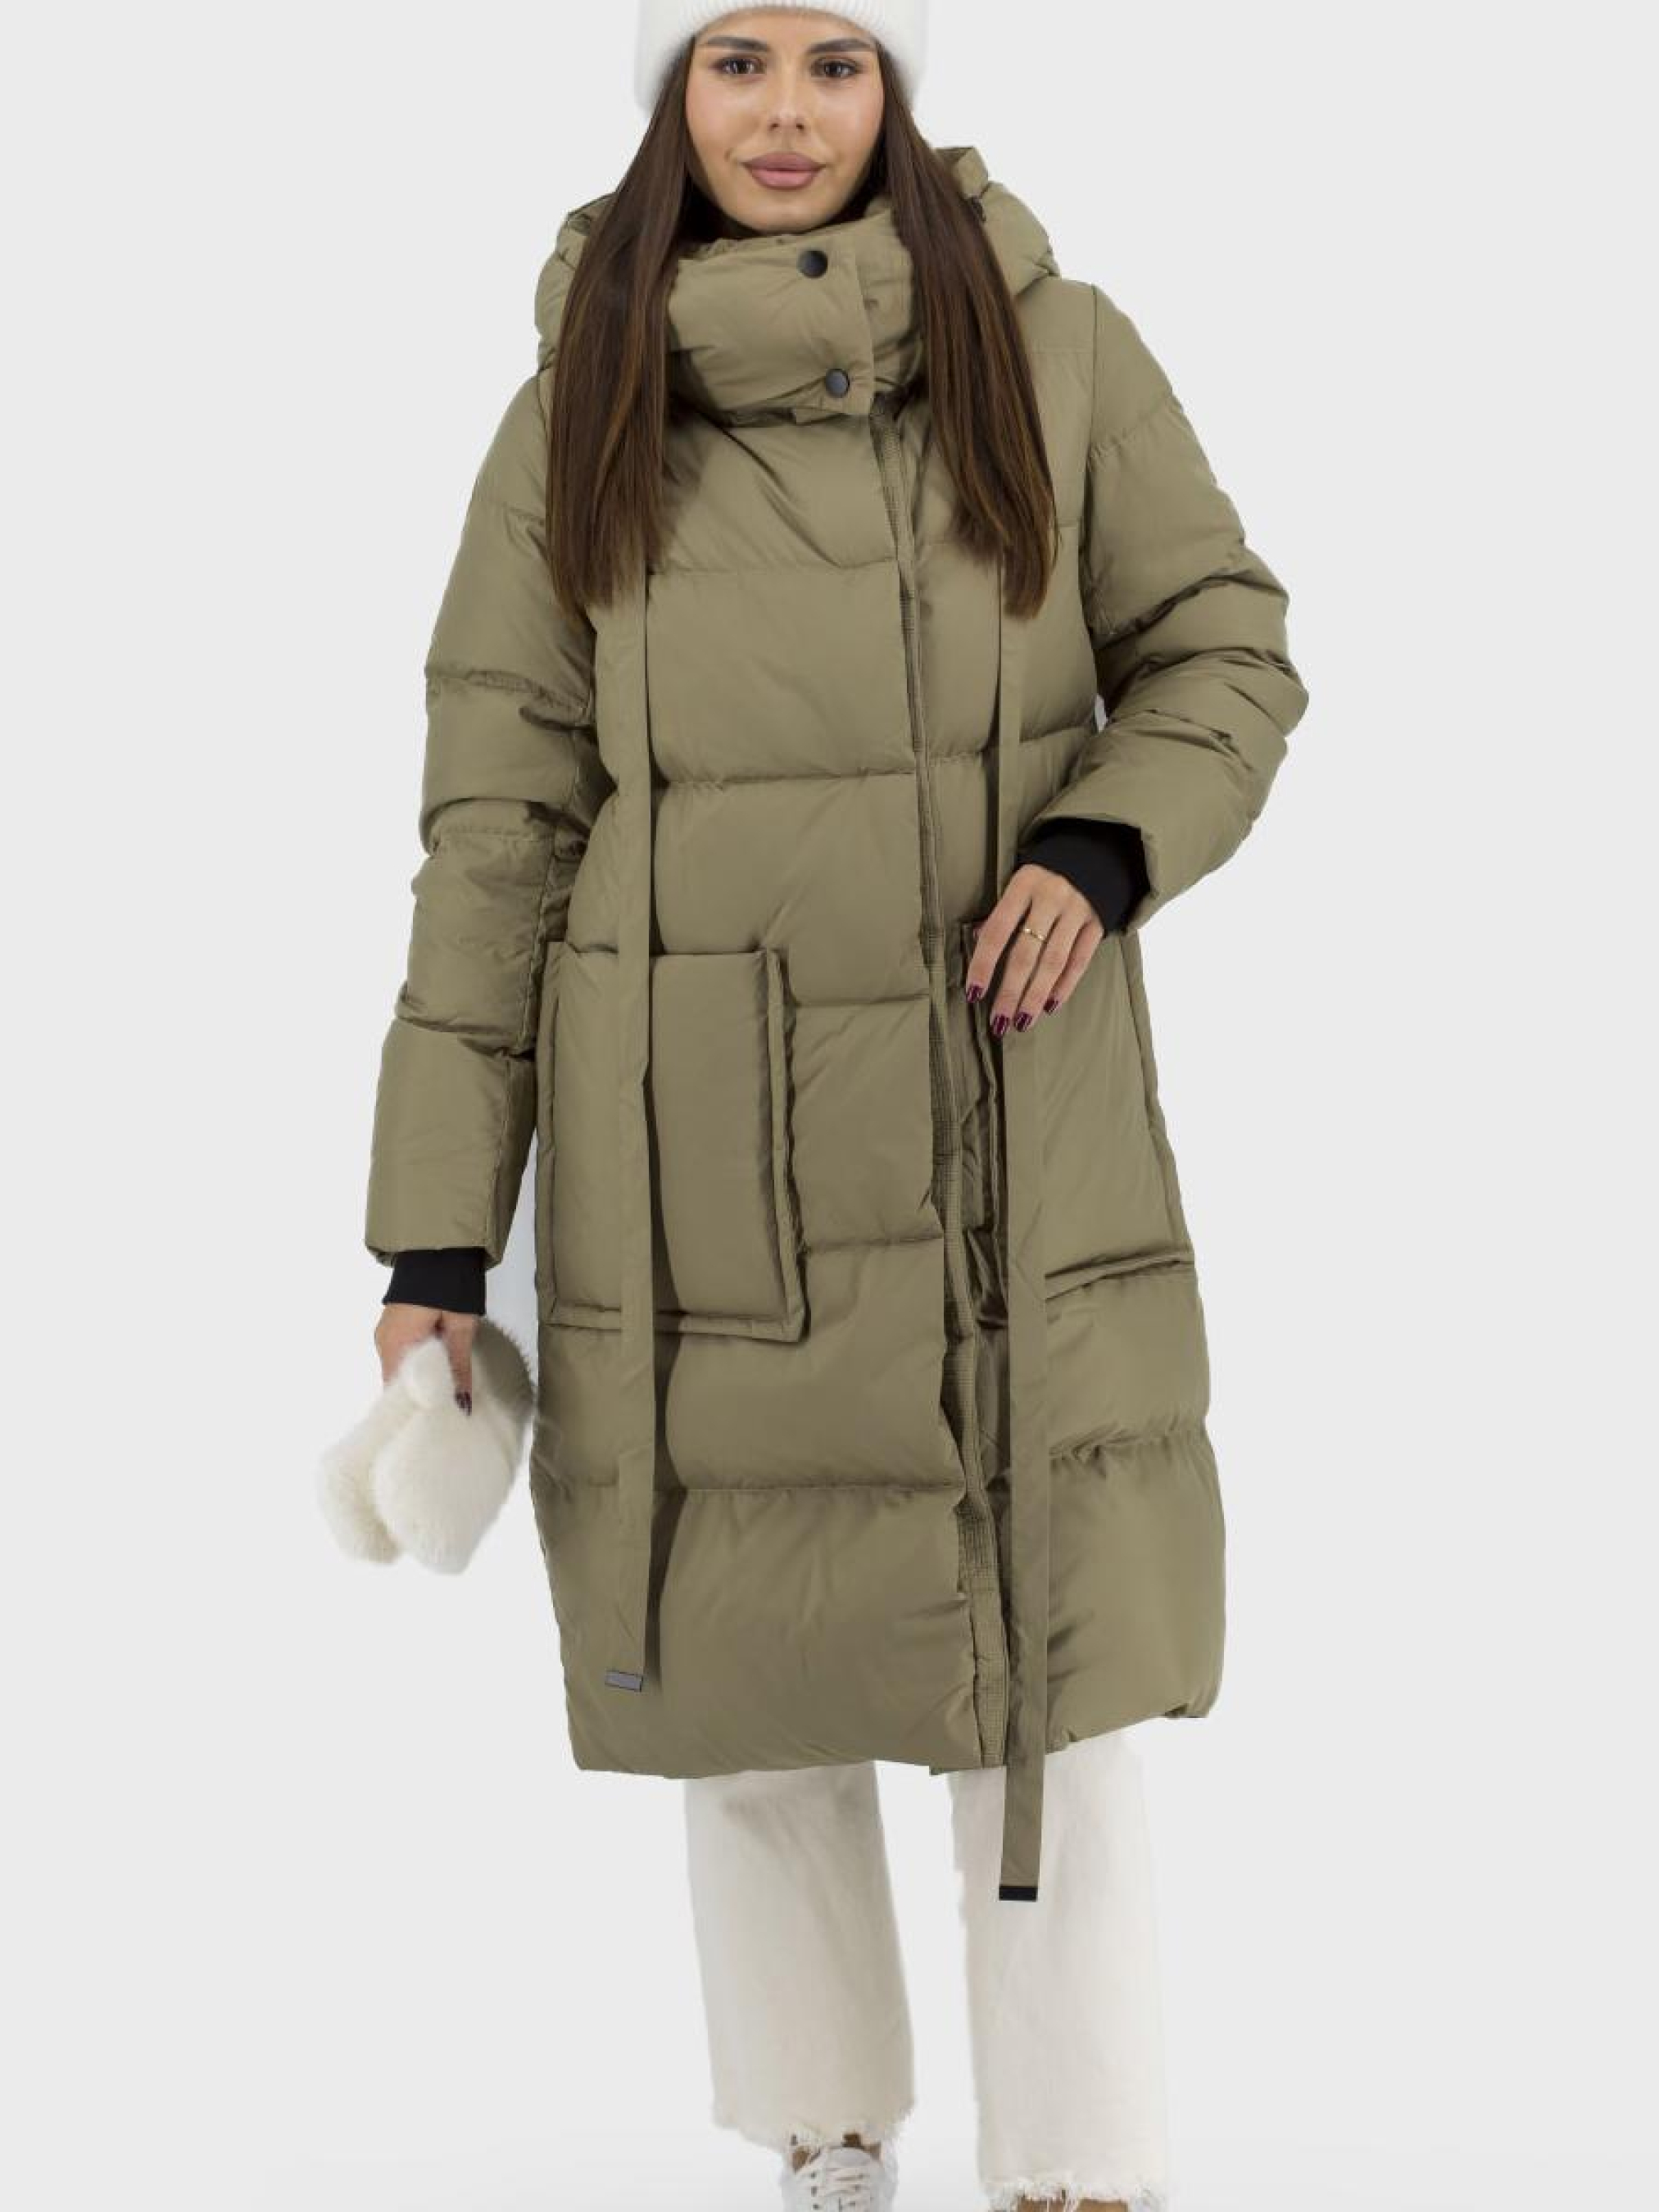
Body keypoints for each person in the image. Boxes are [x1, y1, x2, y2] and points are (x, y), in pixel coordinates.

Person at [362, 8, 1309, 2209]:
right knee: (751, 1669)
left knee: (1052, 1659)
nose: (784, 112)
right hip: (689, 1135)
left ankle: (1078, 2172)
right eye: (733, 60)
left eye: (835, 59)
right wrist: (433, 1229)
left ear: (900, 89)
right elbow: (497, 824)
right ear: (668, 94)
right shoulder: (579, 399)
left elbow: (1224, 648)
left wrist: (1102, 847)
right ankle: (825, 2149)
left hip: (1006, 1106)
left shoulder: (1054, 352)